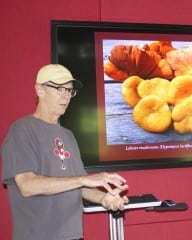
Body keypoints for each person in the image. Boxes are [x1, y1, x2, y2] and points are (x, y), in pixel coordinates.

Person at [1, 64, 129, 240]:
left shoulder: (67, 136)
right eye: (59, 89)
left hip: (72, 235)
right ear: (40, 90)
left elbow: (79, 187)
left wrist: (105, 198)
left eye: (69, 91)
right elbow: (27, 185)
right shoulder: (22, 130)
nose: (66, 96)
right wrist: (83, 179)